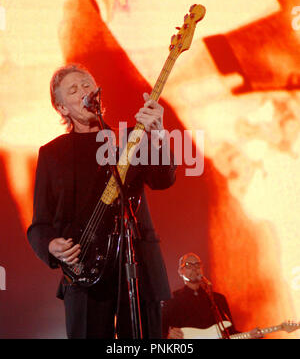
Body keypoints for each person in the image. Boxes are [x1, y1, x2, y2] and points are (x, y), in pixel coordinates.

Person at [27, 63, 176, 339]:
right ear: (61, 108)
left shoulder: (129, 138)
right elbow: (39, 224)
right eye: (73, 90)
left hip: (139, 268)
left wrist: (159, 135)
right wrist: (51, 244)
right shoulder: (52, 154)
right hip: (84, 274)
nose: (84, 91)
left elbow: (163, 180)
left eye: (87, 84)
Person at [162, 253, 263, 339]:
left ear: (202, 269)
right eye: (188, 265)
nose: (194, 268)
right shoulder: (172, 300)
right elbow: (158, 332)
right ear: (180, 271)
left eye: (197, 265)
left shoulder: (218, 299)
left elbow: (230, 333)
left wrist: (249, 335)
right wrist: (168, 335)